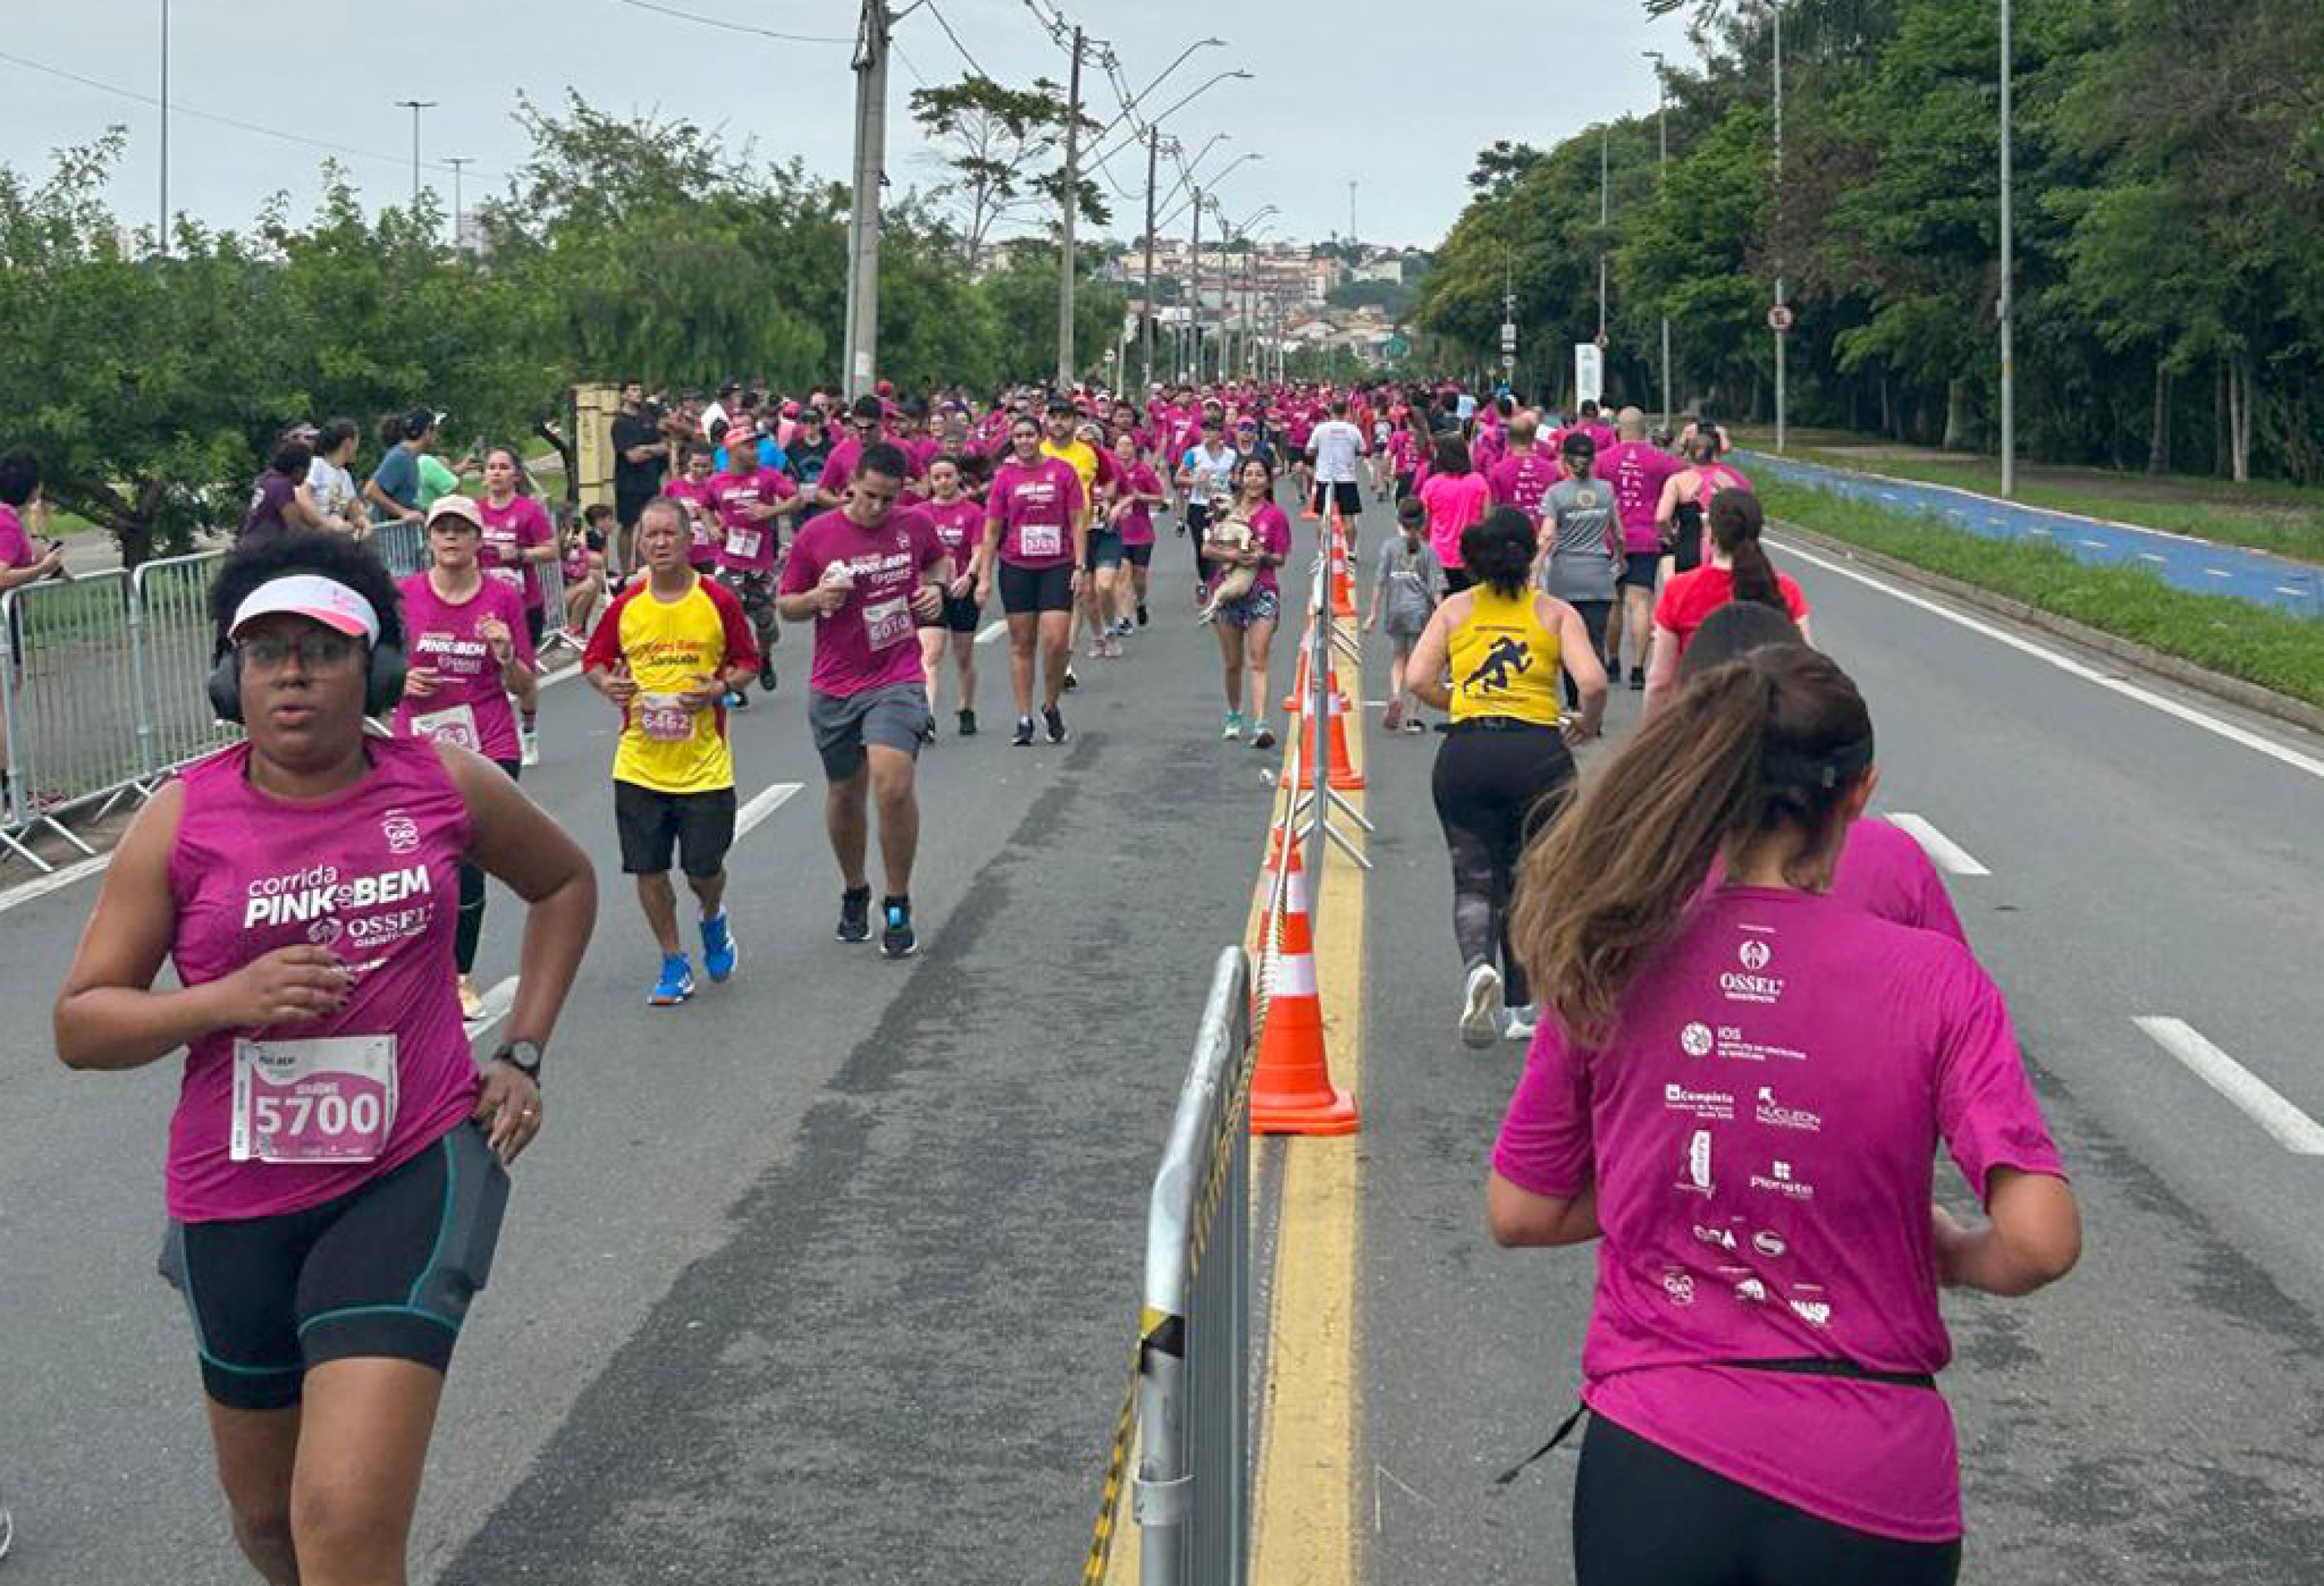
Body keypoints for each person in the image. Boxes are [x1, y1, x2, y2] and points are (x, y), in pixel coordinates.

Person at [53, 529, 594, 1586]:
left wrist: (522, 1047)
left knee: (341, 1524)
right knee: (268, 1524)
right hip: (232, 1200)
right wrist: (220, 1001)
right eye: (265, 652)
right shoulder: (181, 820)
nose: (291, 673)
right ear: (230, 677)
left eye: (322, 648)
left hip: (410, 1168)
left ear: (376, 667)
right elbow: (80, 1024)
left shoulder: (443, 784)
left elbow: (565, 885)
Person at [1489, 643, 2079, 1586]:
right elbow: (2042, 1240)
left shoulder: (1609, 948)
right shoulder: (1935, 980)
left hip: (1658, 1455)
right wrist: (1950, 1253)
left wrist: (1678, 1171)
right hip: (1875, 1471)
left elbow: (1520, 1211)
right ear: (1861, 792)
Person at [1404, 506, 1606, 1047]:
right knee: (1529, 879)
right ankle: (1521, 1008)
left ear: (1476, 558)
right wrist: (1587, 723)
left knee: (1473, 876)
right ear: (1532, 554)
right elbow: (1590, 681)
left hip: (1467, 752)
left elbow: (1417, 678)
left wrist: (1463, 700)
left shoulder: (1454, 608)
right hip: (1537, 754)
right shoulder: (1555, 612)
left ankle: (1477, 967)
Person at [582, 498, 762, 1006]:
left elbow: (748, 661)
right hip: (639, 761)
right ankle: (673, 960)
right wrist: (607, 687)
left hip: (704, 765)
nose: (658, 544)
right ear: (639, 543)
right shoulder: (627, 606)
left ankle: (712, 917)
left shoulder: (717, 601)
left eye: (668, 534)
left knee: (703, 871)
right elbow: (595, 661)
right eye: (649, 535)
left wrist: (718, 688)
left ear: (688, 540)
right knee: (648, 868)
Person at [777, 442, 951, 958]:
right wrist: (814, 600)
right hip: (835, 683)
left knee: (892, 785)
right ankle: (855, 888)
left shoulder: (914, 526)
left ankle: (897, 901)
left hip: (896, 674)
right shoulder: (817, 535)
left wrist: (935, 590)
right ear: (852, 482)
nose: (877, 508)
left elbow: (939, 563)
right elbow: (787, 605)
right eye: (870, 496)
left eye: (888, 499)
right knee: (846, 794)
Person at [392, 493, 540, 1020]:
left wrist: (504, 656)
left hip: (489, 746)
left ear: (480, 541)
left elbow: (527, 690)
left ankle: (458, 976)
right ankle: (418, 971)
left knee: (469, 864)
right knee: (422, 868)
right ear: (429, 539)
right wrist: (400, 679)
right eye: (441, 529)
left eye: (461, 529)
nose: (450, 538)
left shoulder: (501, 599)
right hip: (419, 747)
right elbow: (375, 669)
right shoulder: (405, 596)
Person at [1645, 493, 1813, 714]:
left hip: (1699, 719)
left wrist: (1654, 737)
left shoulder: (1680, 590)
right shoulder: (1786, 589)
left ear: (1710, 533)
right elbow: (1806, 661)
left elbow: (1660, 681)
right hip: (1766, 719)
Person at [975, 415, 1086, 747]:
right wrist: (983, 577)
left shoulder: (1063, 472)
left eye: (1029, 435)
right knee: (1022, 644)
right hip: (1017, 565)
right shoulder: (1004, 478)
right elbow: (992, 529)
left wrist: (1080, 566)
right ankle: (1024, 717)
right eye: (1018, 436)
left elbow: (1078, 521)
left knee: (1055, 641)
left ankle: (1050, 705)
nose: (1024, 441)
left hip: (1058, 564)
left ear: (1040, 438)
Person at [1201, 456, 1290, 750]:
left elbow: (1280, 557)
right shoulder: (1224, 512)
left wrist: (1261, 557)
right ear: (1239, 478)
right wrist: (1233, 557)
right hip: (1228, 590)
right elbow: (1207, 548)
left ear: (1267, 480)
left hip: (1262, 590)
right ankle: (1234, 714)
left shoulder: (1275, 516)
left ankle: (1262, 722)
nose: (1253, 480)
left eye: (1259, 475)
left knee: (1259, 657)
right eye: (1248, 474)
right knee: (1232, 663)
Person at [709, 423, 802, 700]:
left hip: (761, 563)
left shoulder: (769, 477)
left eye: (756, 446)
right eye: (749, 447)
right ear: (733, 451)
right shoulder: (717, 483)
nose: (756, 451)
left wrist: (770, 510)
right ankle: (734, 678)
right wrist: (712, 526)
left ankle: (765, 658)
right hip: (729, 560)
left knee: (766, 625)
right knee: (728, 615)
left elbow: (797, 499)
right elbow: (705, 506)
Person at [1599, 406, 1683, 690]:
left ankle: (1612, 662)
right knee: (1641, 603)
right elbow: (1687, 475)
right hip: (1647, 538)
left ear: (1618, 429)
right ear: (1645, 430)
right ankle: (1638, 668)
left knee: (1614, 602)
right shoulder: (1660, 461)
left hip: (1610, 539)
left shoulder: (1603, 461)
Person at [1538, 432, 1623, 705]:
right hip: (1598, 574)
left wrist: (1535, 565)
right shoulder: (1607, 491)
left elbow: (1548, 536)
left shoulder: (1556, 494)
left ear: (1564, 460)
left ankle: (1573, 702)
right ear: (1592, 460)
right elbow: (1618, 534)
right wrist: (1619, 560)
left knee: (1567, 643)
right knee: (1595, 642)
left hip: (1565, 576)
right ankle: (1594, 706)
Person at [918, 456, 985, 735]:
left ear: (959, 477)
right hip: (931, 590)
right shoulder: (919, 514)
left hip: (962, 590)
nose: (943, 482)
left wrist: (970, 578)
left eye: (948, 476)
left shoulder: (973, 513)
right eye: (937, 478)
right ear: (930, 482)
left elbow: (980, 550)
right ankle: (926, 716)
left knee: (963, 656)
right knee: (930, 654)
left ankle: (966, 707)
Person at [1366, 496, 1442, 734]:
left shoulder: (1389, 547)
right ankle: (1412, 716)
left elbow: (1380, 582)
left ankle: (1396, 695)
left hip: (1395, 610)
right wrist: (1441, 615)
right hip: (1420, 612)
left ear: (1399, 520)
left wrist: (1372, 615)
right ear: (1424, 523)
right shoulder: (1429, 552)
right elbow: (1435, 588)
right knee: (1419, 663)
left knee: (1398, 658)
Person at [1656, 425, 1753, 582]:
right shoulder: (1728, 481)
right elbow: (1744, 517)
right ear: (1714, 454)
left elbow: (1661, 518)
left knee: (1689, 599)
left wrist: (1671, 538)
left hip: (1688, 547)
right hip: (1721, 551)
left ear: (1689, 454)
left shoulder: (1677, 481)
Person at [1417, 435, 1491, 592]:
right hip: (1472, 554)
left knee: (1443, 606)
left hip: (1440, 555)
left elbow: (1423, 524)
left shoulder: (1431, 485)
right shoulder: (1479, 481)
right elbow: (1487, 519)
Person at [1109, 430, 1166, 632]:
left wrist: (1139, 496)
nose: (1124, 450)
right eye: (1120, 445)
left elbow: (1159, 498)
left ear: (1135, 449)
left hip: (1141, 533)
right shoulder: (1110, 471)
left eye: (1128, 445)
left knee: (1139, 576)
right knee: (1122, 574)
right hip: (1118, 532)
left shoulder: (1143, 471)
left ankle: (1140, 602)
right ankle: (1124, 619)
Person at [612, 379, 668, 569]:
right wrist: (651, 450)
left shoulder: (648, 420)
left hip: (650, 481)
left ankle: (644, 568)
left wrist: (646, 449)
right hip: (628, 482)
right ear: (624, 394)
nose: (638, 393)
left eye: (640, 390)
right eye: (633, 389)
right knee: (628, 526)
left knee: (647, 526)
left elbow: (663, 447)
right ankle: (626, 570)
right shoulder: (620, 423)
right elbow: (632, 456)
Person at [240, 433, 319, 548]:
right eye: (307, 471)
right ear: (298, 469)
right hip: (263, 552)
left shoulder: (266, 479)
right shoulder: (282, 486)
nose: (307, 476)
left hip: (248, 547)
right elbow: (295, 527)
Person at [1306, 398, 1368, 539]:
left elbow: (1309, 451)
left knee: (1321, 517)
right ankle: (1351, 552)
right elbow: (1363, 450)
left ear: (1330, 411)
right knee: (1349, 518)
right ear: (1346, 412)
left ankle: (1321, 553)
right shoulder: (1353, 430)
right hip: (1347, 477)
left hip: (1324, 477)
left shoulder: (1320, 429)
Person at [364, 409, 436, 527]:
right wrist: (404, 513)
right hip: (388, 538)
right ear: (427, 431)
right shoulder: (400, 457)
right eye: (434, 429)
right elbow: (370, 490)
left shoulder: (411, 457)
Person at [299, 420, 368, 539]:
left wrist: (365, 524)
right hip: (313, 540)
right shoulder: (316, 465)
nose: (357, 448)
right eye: (357, 443)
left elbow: (355, 513)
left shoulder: (345, 476)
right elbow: (303, 498)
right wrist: (326, 522)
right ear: (348, 444)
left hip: (334, 542)